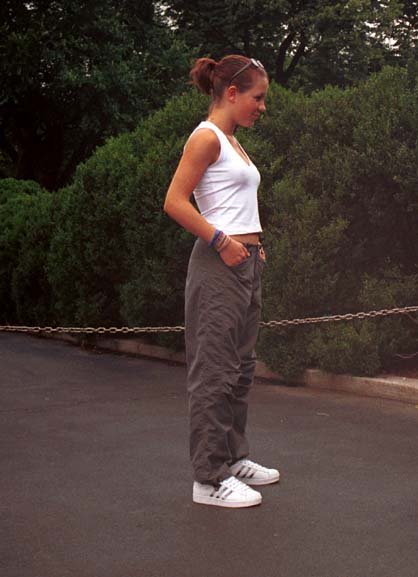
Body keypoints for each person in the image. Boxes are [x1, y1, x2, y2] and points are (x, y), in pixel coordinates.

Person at [164, 55, 279, 508]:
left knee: (240, 368)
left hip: (245, 261)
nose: (262, 107)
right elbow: (174, 201)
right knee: (213, 371)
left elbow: (234, 202)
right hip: (219, 263)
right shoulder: (206, 137)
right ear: (231, 93)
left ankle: (232, 458)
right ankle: (208, 479)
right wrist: (220, 239)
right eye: (257, 97)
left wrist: (253, 246)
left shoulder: (232, 140)